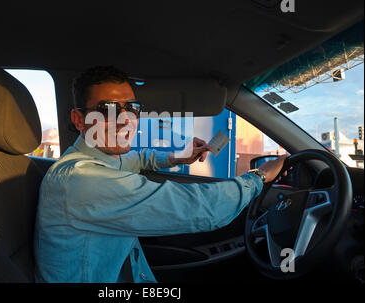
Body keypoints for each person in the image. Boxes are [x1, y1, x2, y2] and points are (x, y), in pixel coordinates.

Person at [34, 66, 287, 283]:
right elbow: (200, 208)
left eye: (131, 108)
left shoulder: (100, 160)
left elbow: (137, 158)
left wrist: (177, 156)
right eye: (108, 109)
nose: (125, 120)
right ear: (79, 120)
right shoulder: (80, 181)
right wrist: (259, 176)